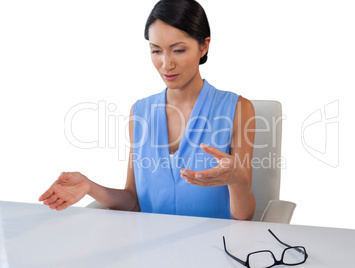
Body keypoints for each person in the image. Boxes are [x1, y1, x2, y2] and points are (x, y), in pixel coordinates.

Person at [39, 0, 256, 220]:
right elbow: (133, 202)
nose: (166, 64)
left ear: (204, 46)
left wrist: (236, 180)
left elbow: (244, 216)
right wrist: (89, 186)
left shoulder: (238, 109)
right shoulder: (140, 112)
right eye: (156, 51)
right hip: (151, 247)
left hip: (215, 244)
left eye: (178, 50)